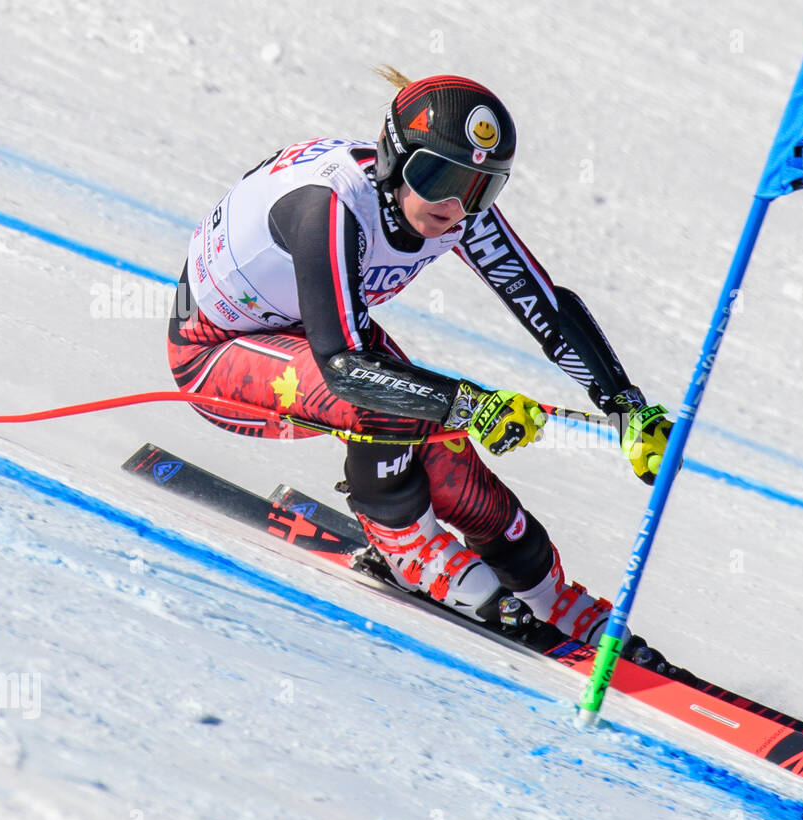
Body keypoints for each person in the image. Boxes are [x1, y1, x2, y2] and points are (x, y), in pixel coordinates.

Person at [166, 70, 672, 654]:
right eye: (438, 178)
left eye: (482, 187)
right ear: (393, 159)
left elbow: (546, 307)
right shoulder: (330, 206)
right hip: (216, 350)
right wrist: (471, 403)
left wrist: (625, 406)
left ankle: (545, 592)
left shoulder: (455, 213)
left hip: (311, 328)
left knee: (451, 458)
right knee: (396, 403)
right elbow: (345, 372)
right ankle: (406, 547)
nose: (457, 206)